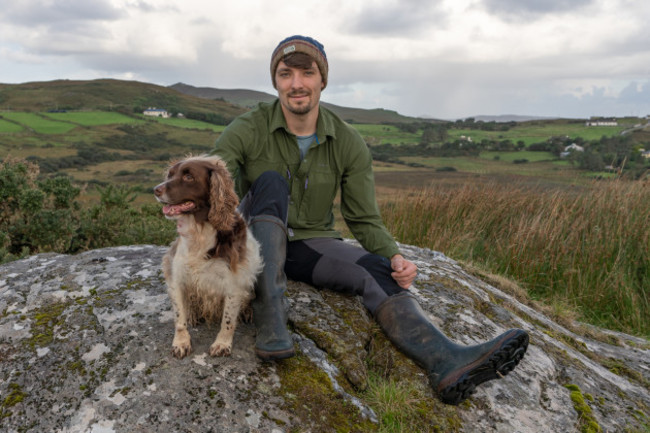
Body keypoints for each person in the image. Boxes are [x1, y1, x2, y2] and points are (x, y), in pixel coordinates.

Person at [211, 35, 528, 405]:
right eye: (285, 74)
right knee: (269, 182)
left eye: (306, 72)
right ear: (276, 81)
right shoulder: (247, 128)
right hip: (253, 247)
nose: (296, 83)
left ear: (322, 79)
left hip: (306, 246)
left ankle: (445, 360)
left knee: (376, 270)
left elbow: (362, 217)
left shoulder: (347, 141)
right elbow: (215, 179)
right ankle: (270, 317)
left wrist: (393, 255)